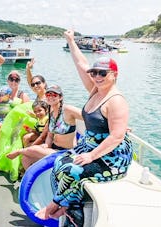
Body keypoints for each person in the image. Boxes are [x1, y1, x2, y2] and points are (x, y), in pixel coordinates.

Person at [35, 30, 133, 226]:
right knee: (58, 163)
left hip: (111, 156)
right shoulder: (96, 90)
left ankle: (57, 205)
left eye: (102, 73)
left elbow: (116, 137)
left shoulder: (116, 101)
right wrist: (70, 40)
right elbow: (82, 64)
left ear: (114, 75)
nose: (97, 76)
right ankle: (67, 206)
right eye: (94, 73)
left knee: (72, 171)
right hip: (89, 146)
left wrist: (90, 156)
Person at [6, 85, 82, 170]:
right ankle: (33, 181)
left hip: (66, 152)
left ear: (60, 97)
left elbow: (87, 117)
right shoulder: (52, 113)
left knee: (33, 149)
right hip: (53, 148)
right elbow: (50, 136)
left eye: (54, 94)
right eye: (48, 95)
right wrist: (46, 145)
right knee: (26, 158)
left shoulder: (68, 110)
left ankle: (19, 151)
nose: (50, 97)